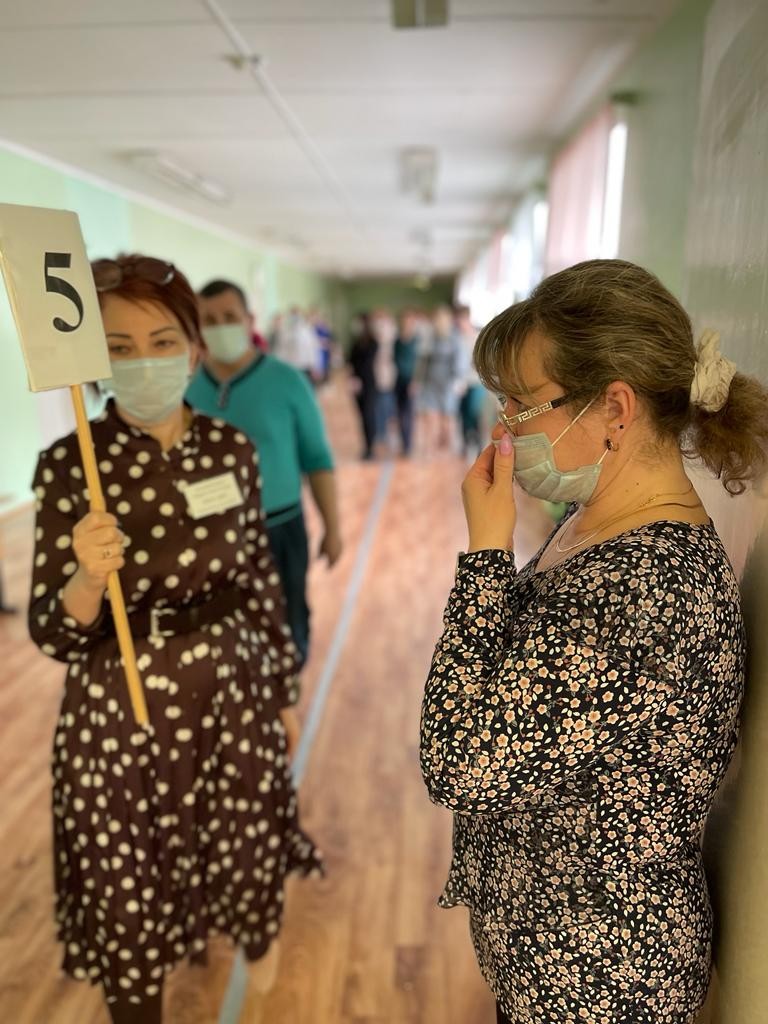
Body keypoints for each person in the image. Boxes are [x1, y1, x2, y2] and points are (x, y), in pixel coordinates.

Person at [420, 259, 765, 1024]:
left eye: (522, 403)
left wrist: (485, 556)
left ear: (614, 407)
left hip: (600, 976)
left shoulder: (649, 591)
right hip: (552, 953)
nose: (503, 427)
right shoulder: (602, 525)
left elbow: (459, 765)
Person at [28, 254, 322, 1024]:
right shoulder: (69, 467)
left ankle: (255, 934)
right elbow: (50, 631)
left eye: (162, 342)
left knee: (243, 835)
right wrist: (85, 578)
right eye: (118, 348)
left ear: (193, 348)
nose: (144, 361)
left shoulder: (230, 450)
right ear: (93, 360)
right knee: (127, 880)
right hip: (120, 711)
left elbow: (257, 578)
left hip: (232, 690)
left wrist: (283, 689)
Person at [190, 279, 342, 666]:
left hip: (279, 528)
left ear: (249, 320)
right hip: (209, 532)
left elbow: (317, 460)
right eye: (209, 320)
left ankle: (286, 685)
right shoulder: (186, 389)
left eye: (229, 317)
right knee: (221, 631)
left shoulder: (287, 381)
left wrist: (333, 528)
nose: (220, 327)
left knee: (287, 623)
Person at [417, 305, 466, 452]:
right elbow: (424, 361)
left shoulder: (455, 338)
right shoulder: (430, 338)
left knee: (448, 416)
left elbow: (460, 360)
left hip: (449, 383)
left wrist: (458, 381)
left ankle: (447, 445)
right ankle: (430, 446)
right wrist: (418, 380)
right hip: (431, 383)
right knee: (430, 415)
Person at [347, 313, 378, 461]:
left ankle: (370, 447)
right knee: (361, 416)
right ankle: (366, 446)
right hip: (356, 383)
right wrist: (352, 378)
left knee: (369, 415)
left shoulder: (373, 342)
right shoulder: (355, 342)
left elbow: (367, 363)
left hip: (368, 383)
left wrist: (359, 378)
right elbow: (351, 361)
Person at [454, 304, 484, 456]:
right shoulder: (456, 339)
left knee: (474, 412)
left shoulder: (477, 337)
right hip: (461, 383)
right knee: (463, 414)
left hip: (476, 382)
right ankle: (466, 443)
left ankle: (478, 442)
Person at [393, 309, 421, 456]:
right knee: (400, 413)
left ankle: (408, 445)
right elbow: (394, 359)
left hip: (411, 381)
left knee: (409, 413)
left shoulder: (417, 341)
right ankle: (404, 442)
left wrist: (415, 381)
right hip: (399, 380)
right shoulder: (397, 341)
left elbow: (419, 363)